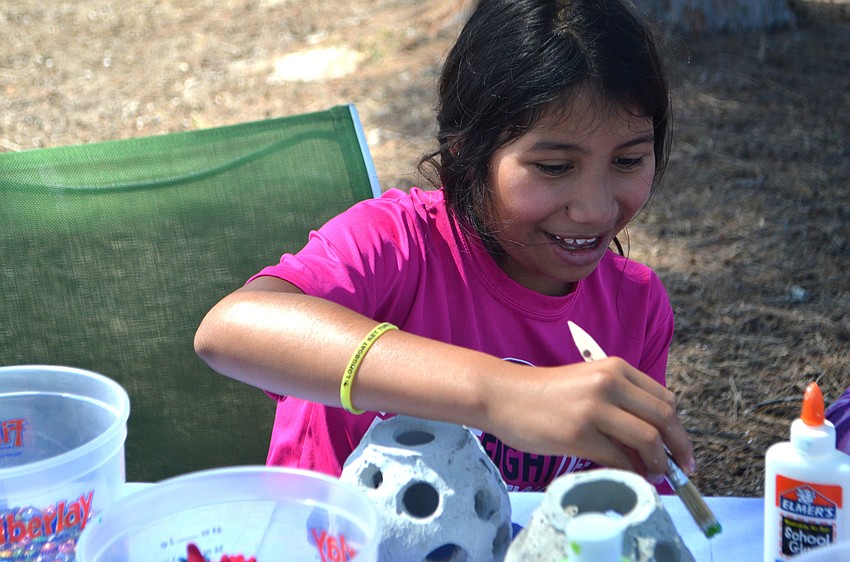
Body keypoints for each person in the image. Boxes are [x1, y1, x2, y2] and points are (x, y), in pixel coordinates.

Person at [195, 0, 695, 493]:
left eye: (628, 161)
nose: (594, 209)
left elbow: (628, 508)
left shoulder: (636, 308)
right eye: (554, 167)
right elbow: (229, 330)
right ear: (468, 153)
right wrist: (502, 394)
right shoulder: (397, 245)